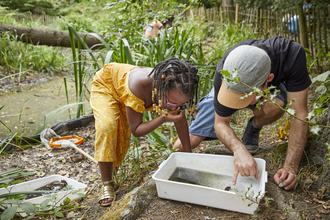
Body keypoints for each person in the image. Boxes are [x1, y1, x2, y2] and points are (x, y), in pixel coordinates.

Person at [174, 37, 311, 191]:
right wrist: (238, 149)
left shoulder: (291, 55)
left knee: (277, 104)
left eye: (246, 97)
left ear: (269, 78)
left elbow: (299, 114)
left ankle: (254, 126)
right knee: (186, 142)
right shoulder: (225, 70)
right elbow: (220, 123)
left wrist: (290, 167)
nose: (241, 103)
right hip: (232, 88)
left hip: (272, 90)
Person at [90, 58, 199, 207]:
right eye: (173, 103)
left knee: (121, 138)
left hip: (124, 91)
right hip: (107, 87)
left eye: (183, 104)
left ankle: (112, 172)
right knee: (107, 127)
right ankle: (106, 183)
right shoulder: (139, 86)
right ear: (160, 88)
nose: (177, 107)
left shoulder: (177, 88)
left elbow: (180, 119)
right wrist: (162, 118)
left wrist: (188, 157)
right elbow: (136, 130)